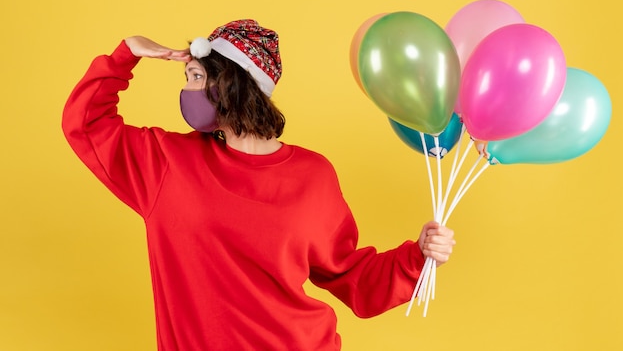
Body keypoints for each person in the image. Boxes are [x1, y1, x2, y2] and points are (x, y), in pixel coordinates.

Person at [62, 19, 456, 350]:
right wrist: (126, 53)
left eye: (197, 77)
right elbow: (85, 123)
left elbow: (351, 275)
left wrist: (417, 257)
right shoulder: (166, 163)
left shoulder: (313, 175)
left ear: (233, 83)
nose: (188, 91)